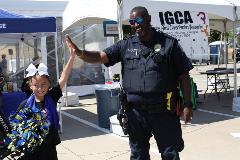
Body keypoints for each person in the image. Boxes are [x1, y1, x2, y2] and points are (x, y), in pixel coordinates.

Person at [66, 6, 193, 160]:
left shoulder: (169, 44)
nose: (135, 24)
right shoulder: (125, 45)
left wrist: (187, 105)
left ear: (148, 19)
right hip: (135, 114)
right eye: (132, 22)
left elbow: (183, 76)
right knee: (138, 155)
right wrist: (80, 53)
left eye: (138, 20)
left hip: (164, 113)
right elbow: (101, 56)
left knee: (169, 154)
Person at [6, 48, 76, 160]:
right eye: (36, 85)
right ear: (30, 86)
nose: (40, 88)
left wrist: (72, 56)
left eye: (43, 84)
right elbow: (16, 126)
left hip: (49, 150)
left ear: (49, 85)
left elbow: (63, 77)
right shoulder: (24, 105)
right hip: (31, 151)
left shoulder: (52, 97)